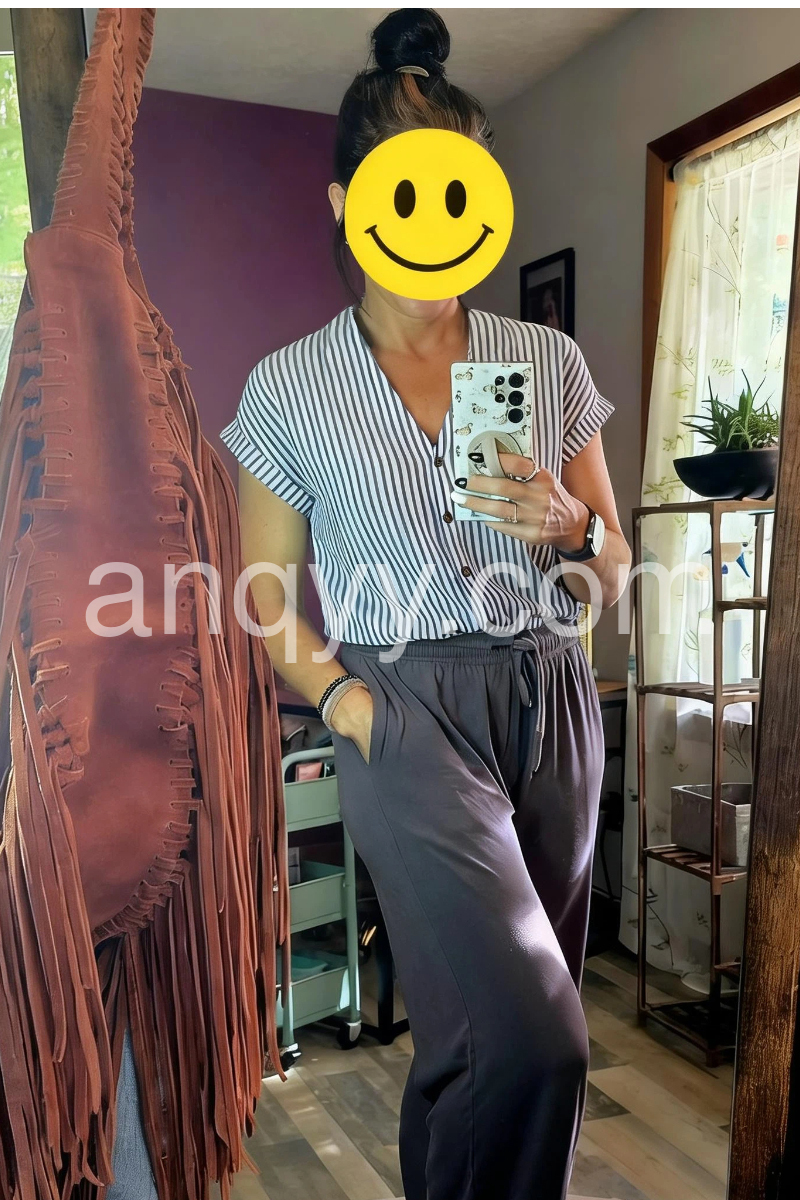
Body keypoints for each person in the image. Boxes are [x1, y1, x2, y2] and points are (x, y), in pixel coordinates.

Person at [222, 10, 631, 1199]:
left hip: (548, 694)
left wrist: (569, 527)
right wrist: (347, 703)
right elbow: (264, 592)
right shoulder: (290, 385)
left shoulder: (541, 360)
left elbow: (610, 566)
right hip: (404, 708)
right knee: (538, 1037)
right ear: (349, 202)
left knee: (482, 1037)